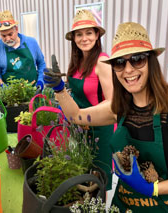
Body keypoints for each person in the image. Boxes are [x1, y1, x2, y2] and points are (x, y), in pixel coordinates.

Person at [44, 22, 168, 212]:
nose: (127, 70)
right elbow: (76, 116)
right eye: (119, 63)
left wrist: (153, 189)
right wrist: (59, 89)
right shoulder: (120, 107)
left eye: (137, 59)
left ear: (151, 61)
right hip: (125, 205)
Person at [64, 9, 114, 190]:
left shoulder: (102, 61)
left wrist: (83, 116)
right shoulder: (76, 62)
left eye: (88, 33)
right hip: (79, 126)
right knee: (82, 172)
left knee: (99, 179)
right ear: (74, 39)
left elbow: (112, 101)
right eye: (79, 34)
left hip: (100, 128)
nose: (84, 38)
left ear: (97, 35)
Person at [0, 10, 46, 90]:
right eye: (3, 36)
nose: (8, 39)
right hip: (10, 96)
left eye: (10, 34)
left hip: (34, 92)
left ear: (16, 29)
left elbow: (41, 64)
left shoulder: (31, 42)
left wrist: (41, 81)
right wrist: (2, 87)